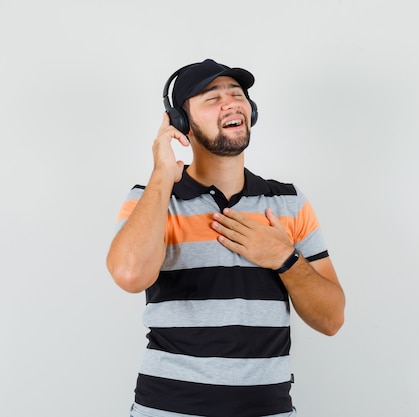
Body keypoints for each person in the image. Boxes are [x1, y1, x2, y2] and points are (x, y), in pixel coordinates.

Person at [106, 58, 346, 417]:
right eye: (212, 97)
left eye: (237, 94)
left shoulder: (289, 203)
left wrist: (285, 259)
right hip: (168, 410)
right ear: (181, 123)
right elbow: (129, 275)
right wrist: (161, 174)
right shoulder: (151, 200)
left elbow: (331, 320)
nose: (231, 102)